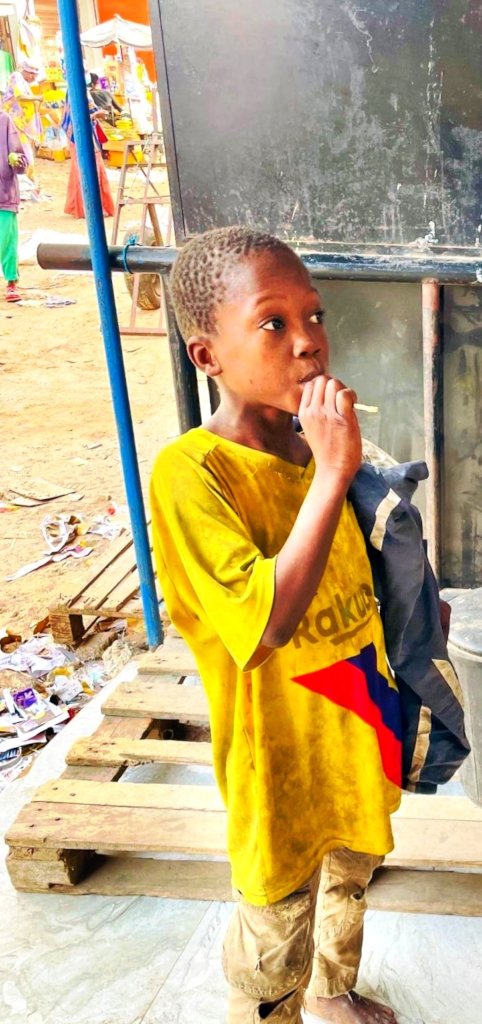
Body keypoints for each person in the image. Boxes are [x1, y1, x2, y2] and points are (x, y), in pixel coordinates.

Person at [150, 226, 402, 1024]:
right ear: (207, 356)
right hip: (277, 766)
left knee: (349, 882)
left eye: (315, 315)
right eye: (273, 323)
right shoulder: (193, 473)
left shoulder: (321, 450)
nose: (309, 342)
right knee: (275, 935)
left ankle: (332, 992)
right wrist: (334, 471)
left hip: (355, 728)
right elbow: (264, 629)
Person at [61, 92, 115, 219]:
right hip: (82, 137)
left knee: (81, 171)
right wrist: (96, 115)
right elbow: (78, 119)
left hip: (84, 135)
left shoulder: (77, 92)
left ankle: (80, 207)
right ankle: (90, 208)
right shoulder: (77, 93)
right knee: (89, 171)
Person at [0, 109, 28, 302]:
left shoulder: (4, 121)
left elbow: (22, 161)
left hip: (4, 192)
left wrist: (15, 159)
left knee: (6, 240)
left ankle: (11, 281)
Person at [2, 60, 42, 176]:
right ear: (25, 71)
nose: (33, 77)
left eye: (34, 74)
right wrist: (36, 98)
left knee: (25, 154)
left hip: (22, 125)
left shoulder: (24, 82)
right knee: (24, 155)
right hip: (16, 124)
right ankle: (27, 181)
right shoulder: (16, 76)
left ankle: (28, 180)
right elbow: (19, 96)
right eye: (31, 73)